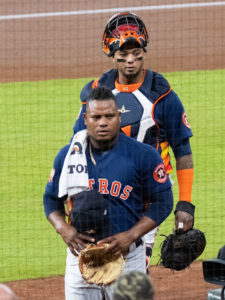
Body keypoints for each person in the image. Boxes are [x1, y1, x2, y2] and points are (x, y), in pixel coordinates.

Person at [72, 12, 195, 267]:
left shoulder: (161, 93)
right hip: (107, 189)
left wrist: (185, 202)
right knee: (100, 264)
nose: (130, 61)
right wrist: (76, 194)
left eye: (137, 54)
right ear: (111, 54)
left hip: (148, 192)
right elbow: (78, 143)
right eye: (123, 55)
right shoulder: (99, 89)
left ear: (144, 52)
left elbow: (182, 148)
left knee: (136, 264)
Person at [43, 86, 173, 300]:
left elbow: (164, 201)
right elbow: (50, 199)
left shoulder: (143, 155)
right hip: (80, 259)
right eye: (96, 117)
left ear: (119, 117)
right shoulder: (68, 155)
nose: (103, 122)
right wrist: (63, 228)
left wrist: (131, 236)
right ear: (85, 118)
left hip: (129, 257)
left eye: (109, 116)